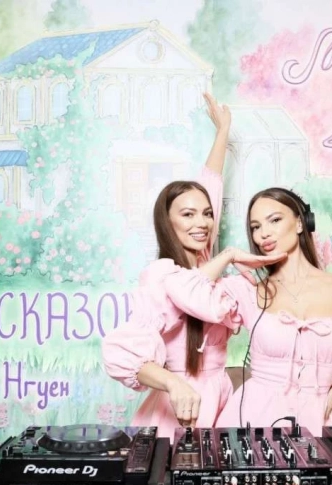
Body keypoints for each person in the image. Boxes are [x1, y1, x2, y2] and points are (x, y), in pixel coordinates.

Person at [160, 187, 332, 435]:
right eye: (255, 227)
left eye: (274, 220)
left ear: (300, 223)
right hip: (248, 420)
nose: (263, 233)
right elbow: (182, 290)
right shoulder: (248, 289)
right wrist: (229, 255)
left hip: (314, 421)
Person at [102, 94, 281, 440]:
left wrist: (223, 131)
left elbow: (210, 186)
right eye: (187, 214)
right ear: (167, 222)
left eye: (207, 214)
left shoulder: (205, 264)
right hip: (179, 405)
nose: (202, 223)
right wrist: (173, 383)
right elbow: (124, 353)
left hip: (220, 397)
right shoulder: (161, 276)